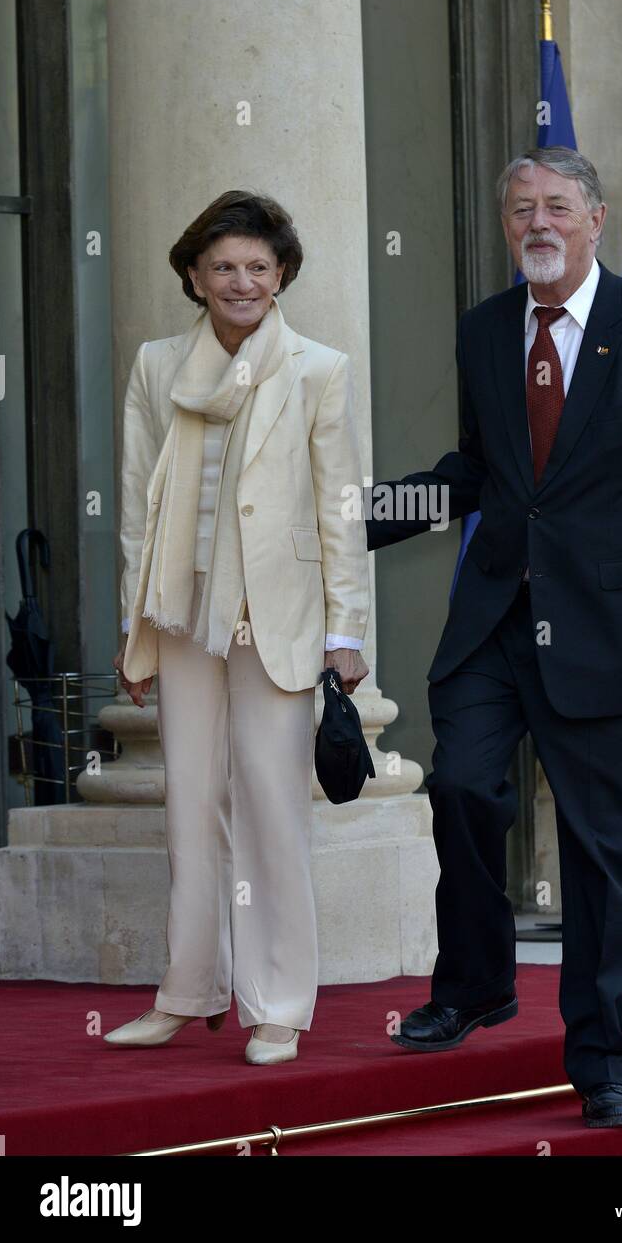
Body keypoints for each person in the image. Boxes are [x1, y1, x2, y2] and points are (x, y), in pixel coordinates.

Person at [366, 146, 622, 1127]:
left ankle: (604, 1061)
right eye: (521, 208)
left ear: (596, 218)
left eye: (557, 207)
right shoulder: (486, 331)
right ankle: (479, 982)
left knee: (598, 858)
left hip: (615, 634)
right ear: (506, 227)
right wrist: (359, 513)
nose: (538, 222)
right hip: (495, 620)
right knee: (457, 786)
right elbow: (485, 471)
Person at [105, 190, 370, 1064]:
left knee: (269, 806)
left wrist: (347, 631)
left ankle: (279, 1004)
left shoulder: (319, 369)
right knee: (188, 806)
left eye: (259, 266)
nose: (242, 281)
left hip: (277, 620)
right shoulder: (154, 366)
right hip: (181, 617)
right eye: (224, 265)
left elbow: (340, 512)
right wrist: (134, 630)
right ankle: (189, 990)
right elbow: (138, 515)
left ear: (282, 274)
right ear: (194, 274)